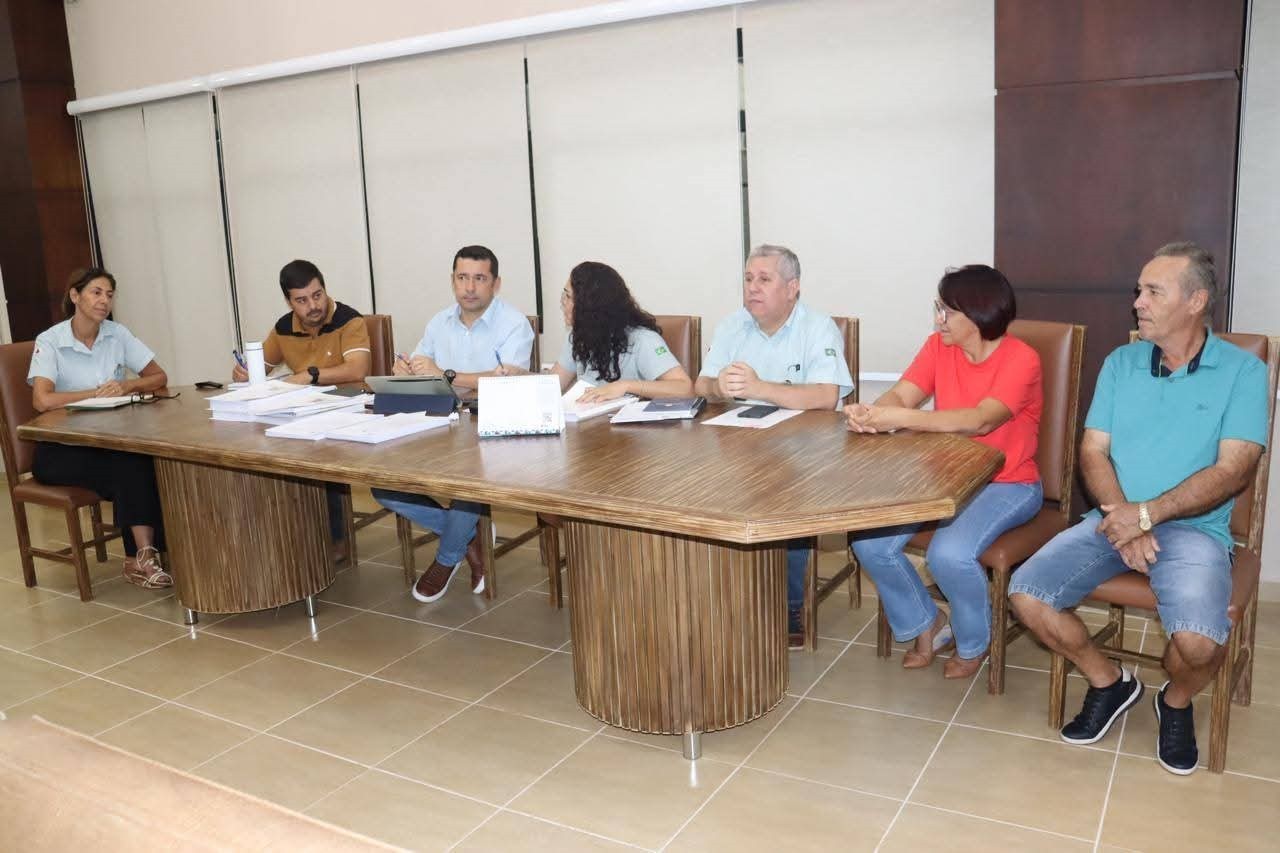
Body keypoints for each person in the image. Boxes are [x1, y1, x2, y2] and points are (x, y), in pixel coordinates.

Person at [1009, 242, 1269, 776]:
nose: (1137, 302)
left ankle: (1174, 701)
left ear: (1196, 301)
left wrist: (1146, 516)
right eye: (1139, 290)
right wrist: (1126, 520)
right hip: (1113, 519)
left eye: (1153, 291)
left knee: (1198, 646)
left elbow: (1233, 471)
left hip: (1196, 532)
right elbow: (1093, 451)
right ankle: (1110, 682)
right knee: (1027, 595)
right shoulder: (1121, 363)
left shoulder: (1243, 372)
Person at [848, 265, 1043, 678]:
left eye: (948, 311)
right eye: (939, 309)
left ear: (978, 314)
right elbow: (903, 394)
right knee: (869, 543)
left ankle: (973, 641)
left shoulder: (1021, 359)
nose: (939, 320)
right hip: (945, 478)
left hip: (1008, 484)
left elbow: (980, 421)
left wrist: (900, 418)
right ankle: (928, 623)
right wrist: (874, 412)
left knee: (948, 555)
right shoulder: (939, 347)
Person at [695, 244, 854, 646]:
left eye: (764, 279)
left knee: (786, 500)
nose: (753, 287)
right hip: (741, 446)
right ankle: (719, 597)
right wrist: (718, 386)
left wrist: (759, 387)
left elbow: (826, 396)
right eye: (748, 279)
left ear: (792, 287)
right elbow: (701, 384)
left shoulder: (817, 328)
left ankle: (791, 605)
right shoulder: (732, 326)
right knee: (700, 491)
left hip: (804, 453)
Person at [375, 245, 533, 602]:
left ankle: (446, 559)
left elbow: (509, 379)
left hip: (491, 426)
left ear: (496, 283)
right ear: (453, 281)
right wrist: (406, 371)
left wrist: (446, 374)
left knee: (467, 483)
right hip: (441, 421)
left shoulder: (514, 324)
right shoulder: (439, 322)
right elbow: (421, 366)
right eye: (462, 278)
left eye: (479, 278)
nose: (470, 287)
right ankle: (468, 536)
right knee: (382, 484)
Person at [28, 268, 172, 588]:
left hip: (107, 441)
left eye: (109, 295)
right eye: (96, 292)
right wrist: (93, 394)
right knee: (130, 465)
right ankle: (142, 557)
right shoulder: (50, 341)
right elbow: (42, 400)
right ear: (75, 296)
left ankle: (145, 556)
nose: (104, 300)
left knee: (143, 459)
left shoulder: (116, 334)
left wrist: (126, 385)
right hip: (59, 451)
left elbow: (159, 377)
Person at [232, 259, 372, 559]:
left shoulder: (349, 320)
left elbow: (357, 369)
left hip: (347, 406)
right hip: (303, 410)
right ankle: (285, 535)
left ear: (325, 289)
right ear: (289, 302)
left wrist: (310, 374)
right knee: (262, 444)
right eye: (302, 300)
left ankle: (335, 539)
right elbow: (258, 368)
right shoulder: (284, 328)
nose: (313, 306)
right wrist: (244, 372)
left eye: (317, 295)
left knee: (323, 452)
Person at [551, 261, 693, 400]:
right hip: (588, 414)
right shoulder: (579, 336)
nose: (563, 303)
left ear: (590, 305)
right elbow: (551, 387)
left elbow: (685, 389)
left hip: (630, 415)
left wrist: (626, 386)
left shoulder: (643, 340)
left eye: (568, 297)